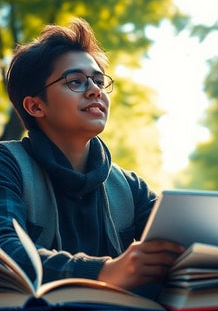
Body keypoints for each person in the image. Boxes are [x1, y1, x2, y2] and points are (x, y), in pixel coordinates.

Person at [0, 17, 185, 292]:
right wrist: (103, 271)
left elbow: (176, 245)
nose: (95, 90)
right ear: (35, 106)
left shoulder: (129, 187)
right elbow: (6, 250)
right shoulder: (8, 165)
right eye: (76, 81)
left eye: (99, 80)